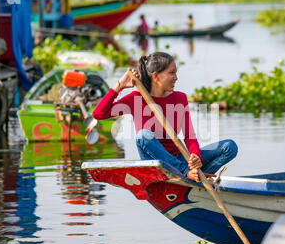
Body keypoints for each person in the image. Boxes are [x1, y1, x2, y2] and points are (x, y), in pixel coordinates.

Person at [92, 52, 238, 182]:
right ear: (156, 76)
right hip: (155, 163)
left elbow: (189, 135)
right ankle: (186, 174)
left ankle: (197, 178)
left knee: (229, 147)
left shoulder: (180, 98)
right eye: (171, 73)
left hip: (179, 158)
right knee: (143, 136)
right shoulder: (136, 98)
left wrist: (195, 157)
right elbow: (98, 114)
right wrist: (120, 85)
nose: (176, 78)